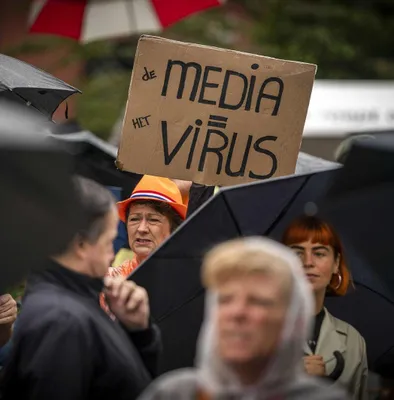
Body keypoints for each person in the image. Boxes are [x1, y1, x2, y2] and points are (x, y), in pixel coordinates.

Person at [2, 177, 161, 400]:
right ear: (81, 245)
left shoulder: (71, 302)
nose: (112, 254)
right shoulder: (60, 321)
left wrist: (138, 333)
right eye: (108, 242)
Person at [138, 237, 348, 400]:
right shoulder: (174, 394)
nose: (236, 313)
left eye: (258, 301)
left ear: (292, 320)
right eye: (225, 300)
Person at [282, 215, 368, 400]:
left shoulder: (353, 341)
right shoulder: (257, 330)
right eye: (297, 253)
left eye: (319, 253)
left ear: (336, 263)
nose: (308, 262)